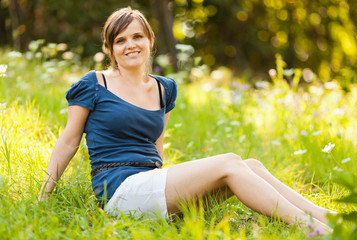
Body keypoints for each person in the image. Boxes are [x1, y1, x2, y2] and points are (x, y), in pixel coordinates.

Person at [38, 7, 336, 231]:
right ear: (110, 48)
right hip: (119, 190)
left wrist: (175, 195)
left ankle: (325, 216)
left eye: (138, 36)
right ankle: (311, 227)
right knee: (230, 161)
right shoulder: (94, 84)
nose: (130, 45)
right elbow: (68, 141)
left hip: (151, 186)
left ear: (150, 41)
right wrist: (44, 198)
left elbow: (157, 151)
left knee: (251, 166)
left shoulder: (163, 88)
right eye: (121, 40)